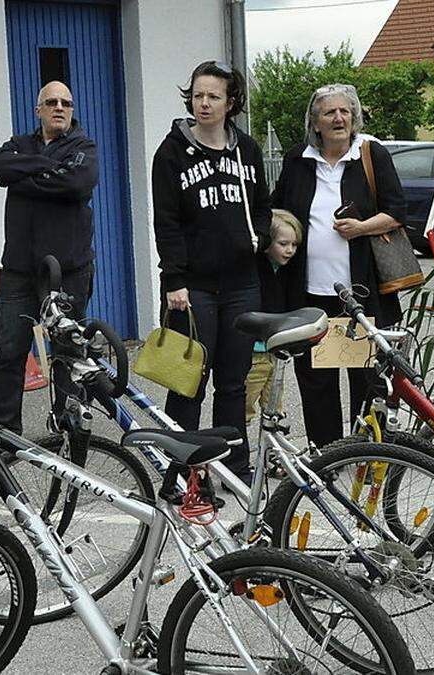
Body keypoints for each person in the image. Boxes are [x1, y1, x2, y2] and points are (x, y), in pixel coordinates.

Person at [151, 60, 271, 482]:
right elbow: (165, 222)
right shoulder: (170, 154)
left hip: (242, 284)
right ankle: (179, 472)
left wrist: (260, 240)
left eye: (213, 96)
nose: (204, 103)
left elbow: (262, 208)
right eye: (198, 95)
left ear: (230, 102)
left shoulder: (249, 150)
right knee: (188, 382)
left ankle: (233, 470)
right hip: (195, 287)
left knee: (234, 385)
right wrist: (174, 280)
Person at [272, 83, 406, 449]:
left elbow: (397, 211)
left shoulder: (369, 154)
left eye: (345, 111)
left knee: (367, 378)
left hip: (361, 294)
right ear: (315, 122)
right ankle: (327, 453)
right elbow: (279, 210)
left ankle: (367, 452)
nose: (338, 118)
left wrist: (362, 228)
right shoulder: (298, 160)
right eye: (329, 112)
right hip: (312, 294)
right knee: (317, 379)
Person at [0, 80, 98, 433]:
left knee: (68, 351)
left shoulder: (85, 147)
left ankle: (69, 426)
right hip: (19, 270)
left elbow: (76, 183)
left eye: (66, 102)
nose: (59, 107)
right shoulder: (17, 144)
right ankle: (4, 432)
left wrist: (26, 174)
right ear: (39, 110)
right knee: (8, 351)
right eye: (51, 102)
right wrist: (48, 167)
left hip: (68, 271)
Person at [244, 208, 303, 424]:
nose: (290, 250)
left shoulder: (287, 271)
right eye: (283, 244)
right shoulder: (256, 270)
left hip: (276, 352)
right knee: (245, 408)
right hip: (255, 353)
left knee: (275, 409)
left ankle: (272, 452)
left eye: (294, 245)